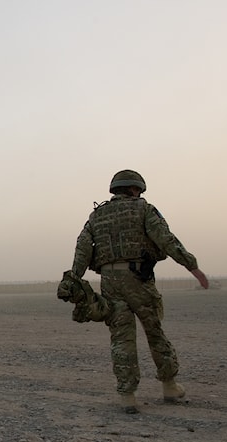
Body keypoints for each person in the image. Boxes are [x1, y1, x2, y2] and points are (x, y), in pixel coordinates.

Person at [70, 169, 208, 414]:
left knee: (121, 338)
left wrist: (75, 279)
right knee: (154, 331)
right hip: (138, 279)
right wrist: (192, 266)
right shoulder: (144, 209)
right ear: (134, 189)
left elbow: (82, 249)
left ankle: (128, 396)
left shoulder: (96, 216)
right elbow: (166, 239)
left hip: (110, 282)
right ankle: (169, 386)